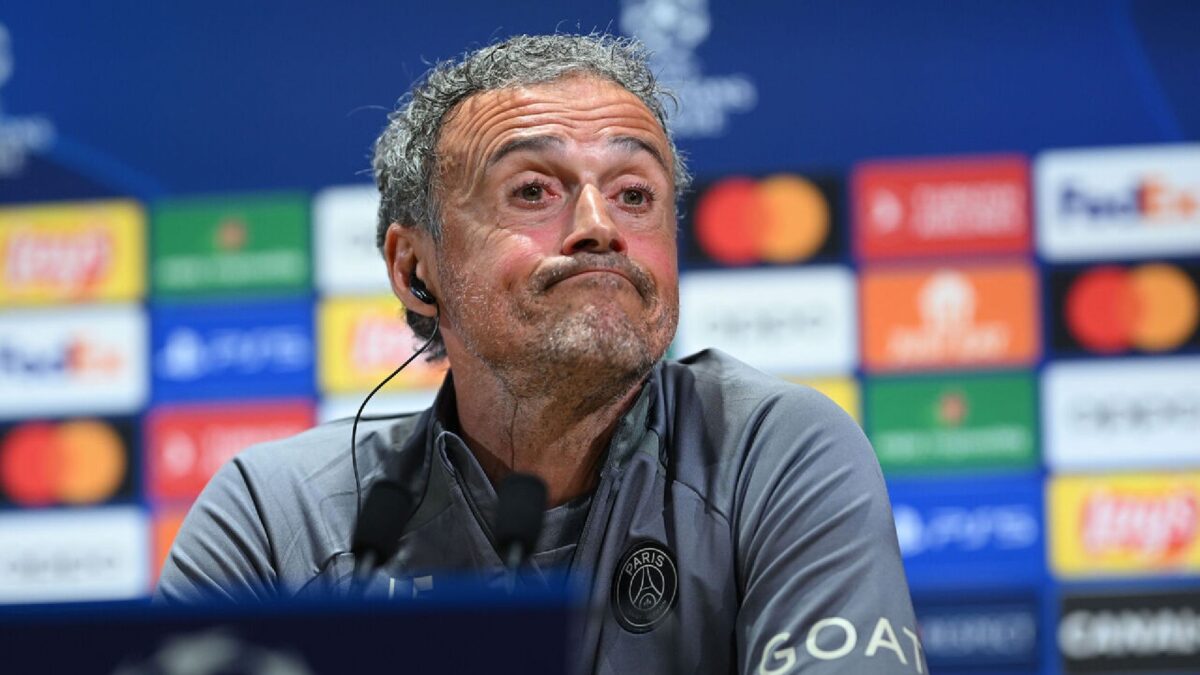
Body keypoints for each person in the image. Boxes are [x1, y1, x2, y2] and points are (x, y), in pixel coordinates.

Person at [157, 33, 922, 674]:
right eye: (533, 191)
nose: (600, 227)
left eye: (634, 194)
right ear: (416, 268)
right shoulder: (278, 514)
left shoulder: (775, 454)